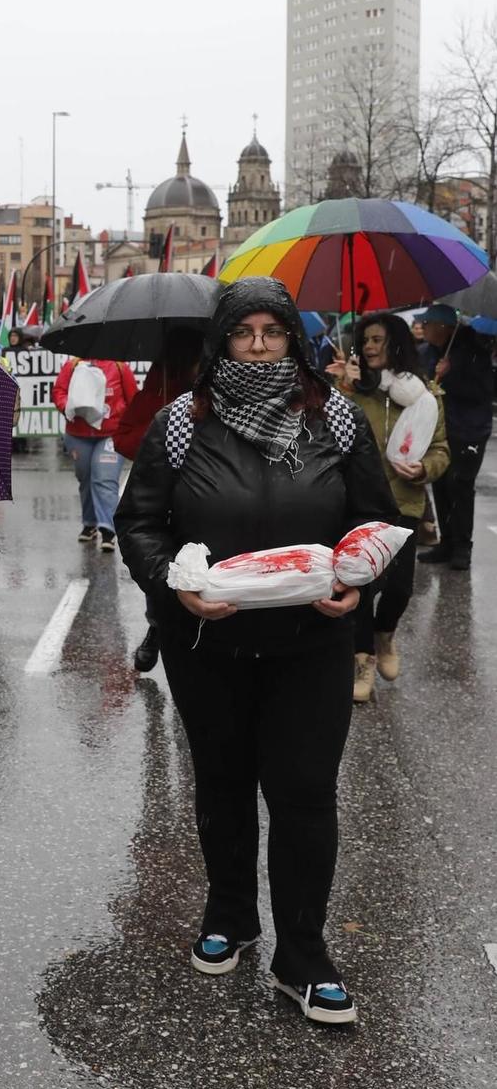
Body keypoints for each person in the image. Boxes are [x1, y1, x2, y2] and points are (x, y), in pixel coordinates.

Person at [116, 278, 398, 1025]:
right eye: (245, 334)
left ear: (293, 342)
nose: (260, 347)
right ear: (222, 342)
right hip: (207, 639)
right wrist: (171, 584)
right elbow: (139, 524)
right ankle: (229, 914)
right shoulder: (181, 423)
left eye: (273, 333)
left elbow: (374, 517)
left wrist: (357, 584)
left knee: (304, 792)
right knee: (222, 782)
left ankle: (302, 954)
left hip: (311, 641)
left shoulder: (333, 417)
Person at [325, 312, 448, 701]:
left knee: (399, 589)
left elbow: (442, 449)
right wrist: (345, 387)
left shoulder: (425, 395)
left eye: (378, 339)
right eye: (365, 340)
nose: (370, 347)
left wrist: (424, 468)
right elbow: (325, 436)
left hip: (404, 502)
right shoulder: (349, 389)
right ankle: (362, 658)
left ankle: (385, 634)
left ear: (397, 343)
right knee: (359, 583)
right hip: (357, 504)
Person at [114, 328, 205, 672]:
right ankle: (157, 628)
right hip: (165, 506)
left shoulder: (218, 398)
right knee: (166, 576)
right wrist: (159, 432)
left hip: (204, 508)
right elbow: (123, 440)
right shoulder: (156, 397)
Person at [416, 306, 493, 571]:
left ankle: (462, 547)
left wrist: (451, 378)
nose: (422, 327)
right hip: (441, 429)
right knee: (440, 485)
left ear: (444, 327)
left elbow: (483, 393)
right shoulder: (432, 352)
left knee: (460, 487)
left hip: (468, 430)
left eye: (427, 322)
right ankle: (446, 543)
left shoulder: (474, 352)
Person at [51, 355, 138, 552]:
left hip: (110, 435)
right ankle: (90, 524)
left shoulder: (119, 366)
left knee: (104, 479)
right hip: (78, 434)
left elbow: (134, 398)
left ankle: (108, 530)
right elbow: (58, 392)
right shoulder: (72, 365)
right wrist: (69, 406)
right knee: (86, 478)